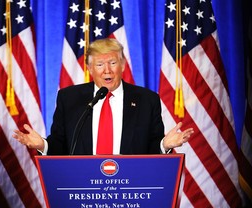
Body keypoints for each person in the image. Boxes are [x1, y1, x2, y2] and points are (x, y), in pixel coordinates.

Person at [13, 38, 194, 155]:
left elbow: (151, 149)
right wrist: (42, 145)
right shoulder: (69, 98)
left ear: (122, 65)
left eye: (113, 63)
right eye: (100, 64)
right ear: (90, 69)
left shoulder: (146, 100)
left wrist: (165, 145)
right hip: (84, 189)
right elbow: (61, 145)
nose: (107, 70)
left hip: (129, 190)